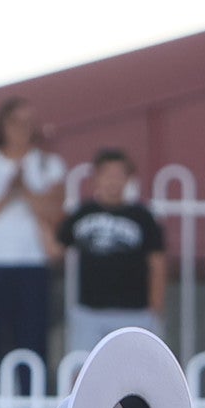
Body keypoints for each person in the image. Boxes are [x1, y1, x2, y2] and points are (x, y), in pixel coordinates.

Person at [0, 94, 68, 390]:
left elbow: (57, 214)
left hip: (31, 265)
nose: (21, 128)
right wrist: (8, 195)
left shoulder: (48, 165)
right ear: (2, 124)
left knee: (31, 350)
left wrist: (26, 190)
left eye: (28, 122)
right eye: (15, 121)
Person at [59, 147, 168, 372]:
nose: (113, 181)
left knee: (133, 373)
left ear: (129, 179)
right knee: (83, 373)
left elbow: (157, 262)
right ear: (97, 177)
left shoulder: (142, 216)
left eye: (119, 175)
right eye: (107, 174)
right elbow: (56, 247)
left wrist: (155, 306)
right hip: (89, 310)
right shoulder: (82, 212)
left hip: (133, 311)